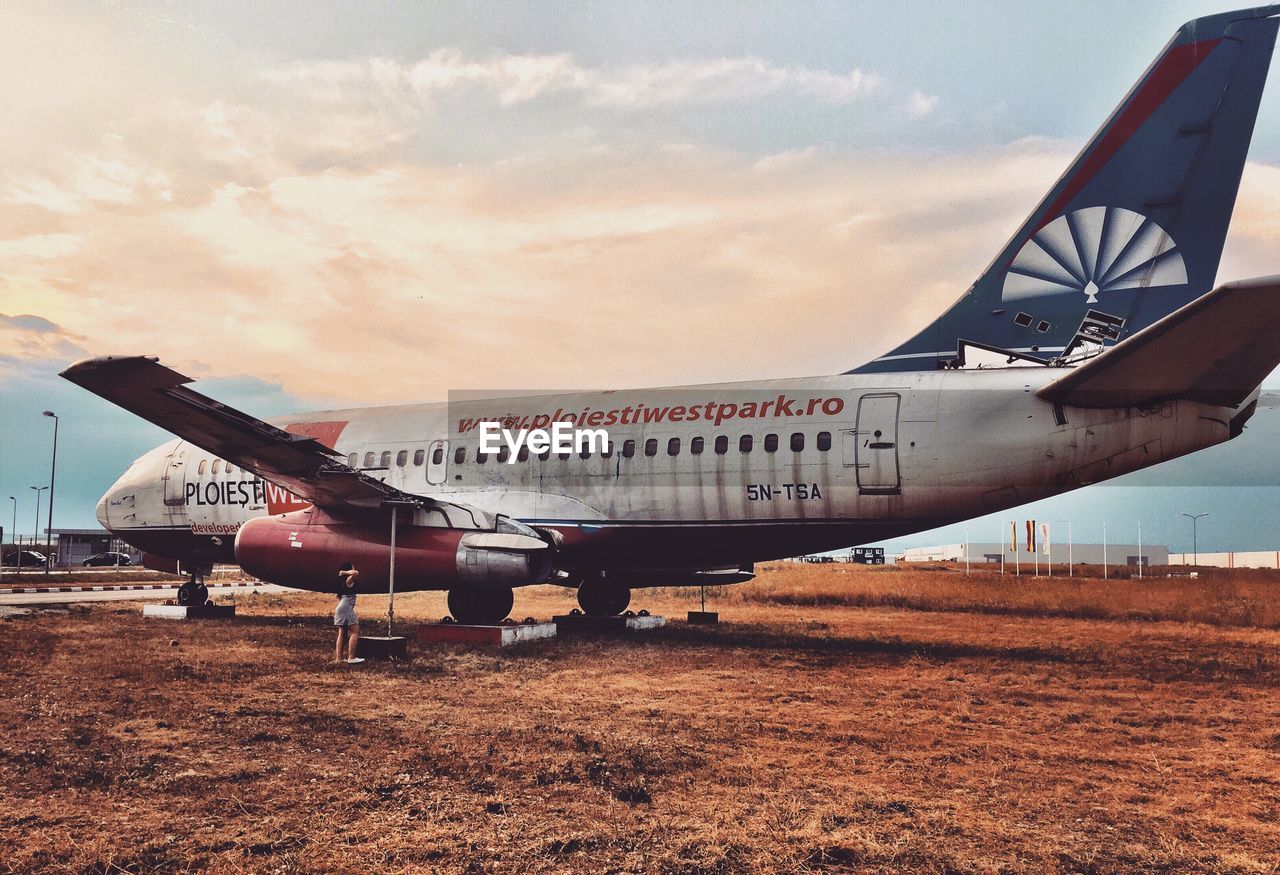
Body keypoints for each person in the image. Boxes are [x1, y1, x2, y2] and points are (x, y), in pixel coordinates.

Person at [334, 561, 364, 664]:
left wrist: (342, 573)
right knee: (354, 632)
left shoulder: (341, 582)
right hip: (347, 608)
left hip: (340, 608)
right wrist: (345, 572)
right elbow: (356, 573)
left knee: (342, 634)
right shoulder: (348, 580)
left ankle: (339, 658)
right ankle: (351, 657)